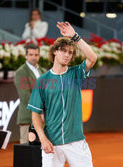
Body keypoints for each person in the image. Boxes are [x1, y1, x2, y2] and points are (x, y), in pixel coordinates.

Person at [27, 22, 97, 167]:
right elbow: (35, 114)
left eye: (70, 52)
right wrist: (43, 139)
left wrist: (75, 36)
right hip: (52, 144)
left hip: (76, 141)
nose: (67, 55)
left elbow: (92, 58)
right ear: (55, 51)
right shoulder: (42, 81)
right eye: (63, 51)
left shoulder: (75, 74)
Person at [14, 43, 46, 144]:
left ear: (39, 56)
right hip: (27, 117)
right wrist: (40, 112)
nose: (34, 57)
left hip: (43, 118)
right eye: (31, 55)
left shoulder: (44, 72)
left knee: (43, 148)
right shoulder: (21, 72)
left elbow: (48, 93)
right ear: (26, 56)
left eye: (36, 55)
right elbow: (25, 96)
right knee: (26, 149)